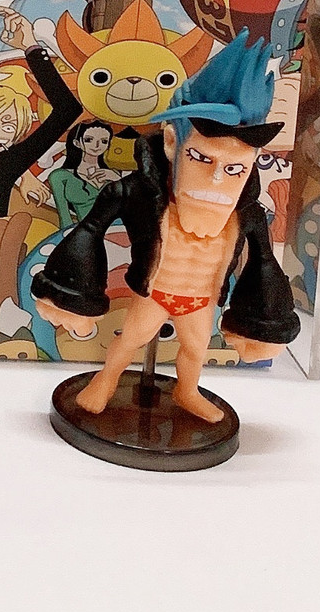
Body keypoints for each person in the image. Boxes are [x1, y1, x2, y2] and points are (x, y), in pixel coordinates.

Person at [30, 32, 297, 425]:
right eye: (202, 159)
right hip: (156, 293)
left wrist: (263, 322)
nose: (217, 180)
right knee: (130, 341)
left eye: (234, 168)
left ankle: (187, 391)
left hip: (200, 300)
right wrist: (68, 293)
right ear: (172, 142)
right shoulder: (139, 194)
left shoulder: (246, 214)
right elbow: (90, 229)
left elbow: (264, 263)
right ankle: (105, 381)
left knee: (196, 349)